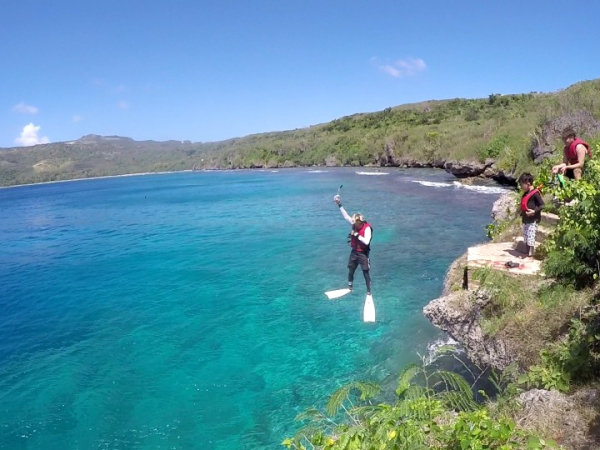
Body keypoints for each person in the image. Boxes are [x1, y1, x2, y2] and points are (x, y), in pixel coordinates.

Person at [333, 195, 372, 295]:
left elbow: (366, 242)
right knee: (351, 269)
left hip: (363, 253)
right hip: (354, 251)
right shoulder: (355, 223)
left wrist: (356, 235)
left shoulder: (367, 228)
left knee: (365, 271)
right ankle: (350, 286)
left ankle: (369, 291)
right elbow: (346, 216)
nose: (354, 224)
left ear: (360, 222)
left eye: (356, 223)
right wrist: (339, 204)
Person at [518, 173, 545, 258]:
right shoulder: (525, 193)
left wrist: (534, 211)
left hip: (533, 219)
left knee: (530, 237)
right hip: (526, 219)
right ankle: (526, 253)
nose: (521, 187)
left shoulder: (535, 193)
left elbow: (542, 205)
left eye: (522, 184)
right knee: (526, 237)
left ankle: (530, 254)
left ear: (528, 183)